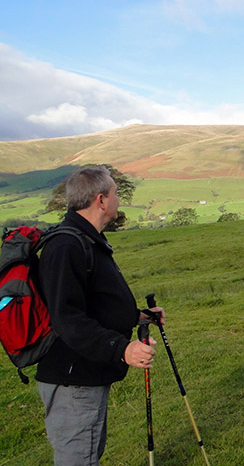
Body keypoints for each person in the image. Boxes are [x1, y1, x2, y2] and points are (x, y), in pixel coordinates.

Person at [35, 166, 164, 465]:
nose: (119, 199)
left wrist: (139, 316)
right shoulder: (67, 245)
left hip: (84, 375)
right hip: (73, 381)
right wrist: (122, 348)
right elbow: (67, 319)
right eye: (115, 193)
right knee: (78, 459)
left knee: (88, 451)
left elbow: (93, 305)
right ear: (101, 200)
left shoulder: (85, 239)